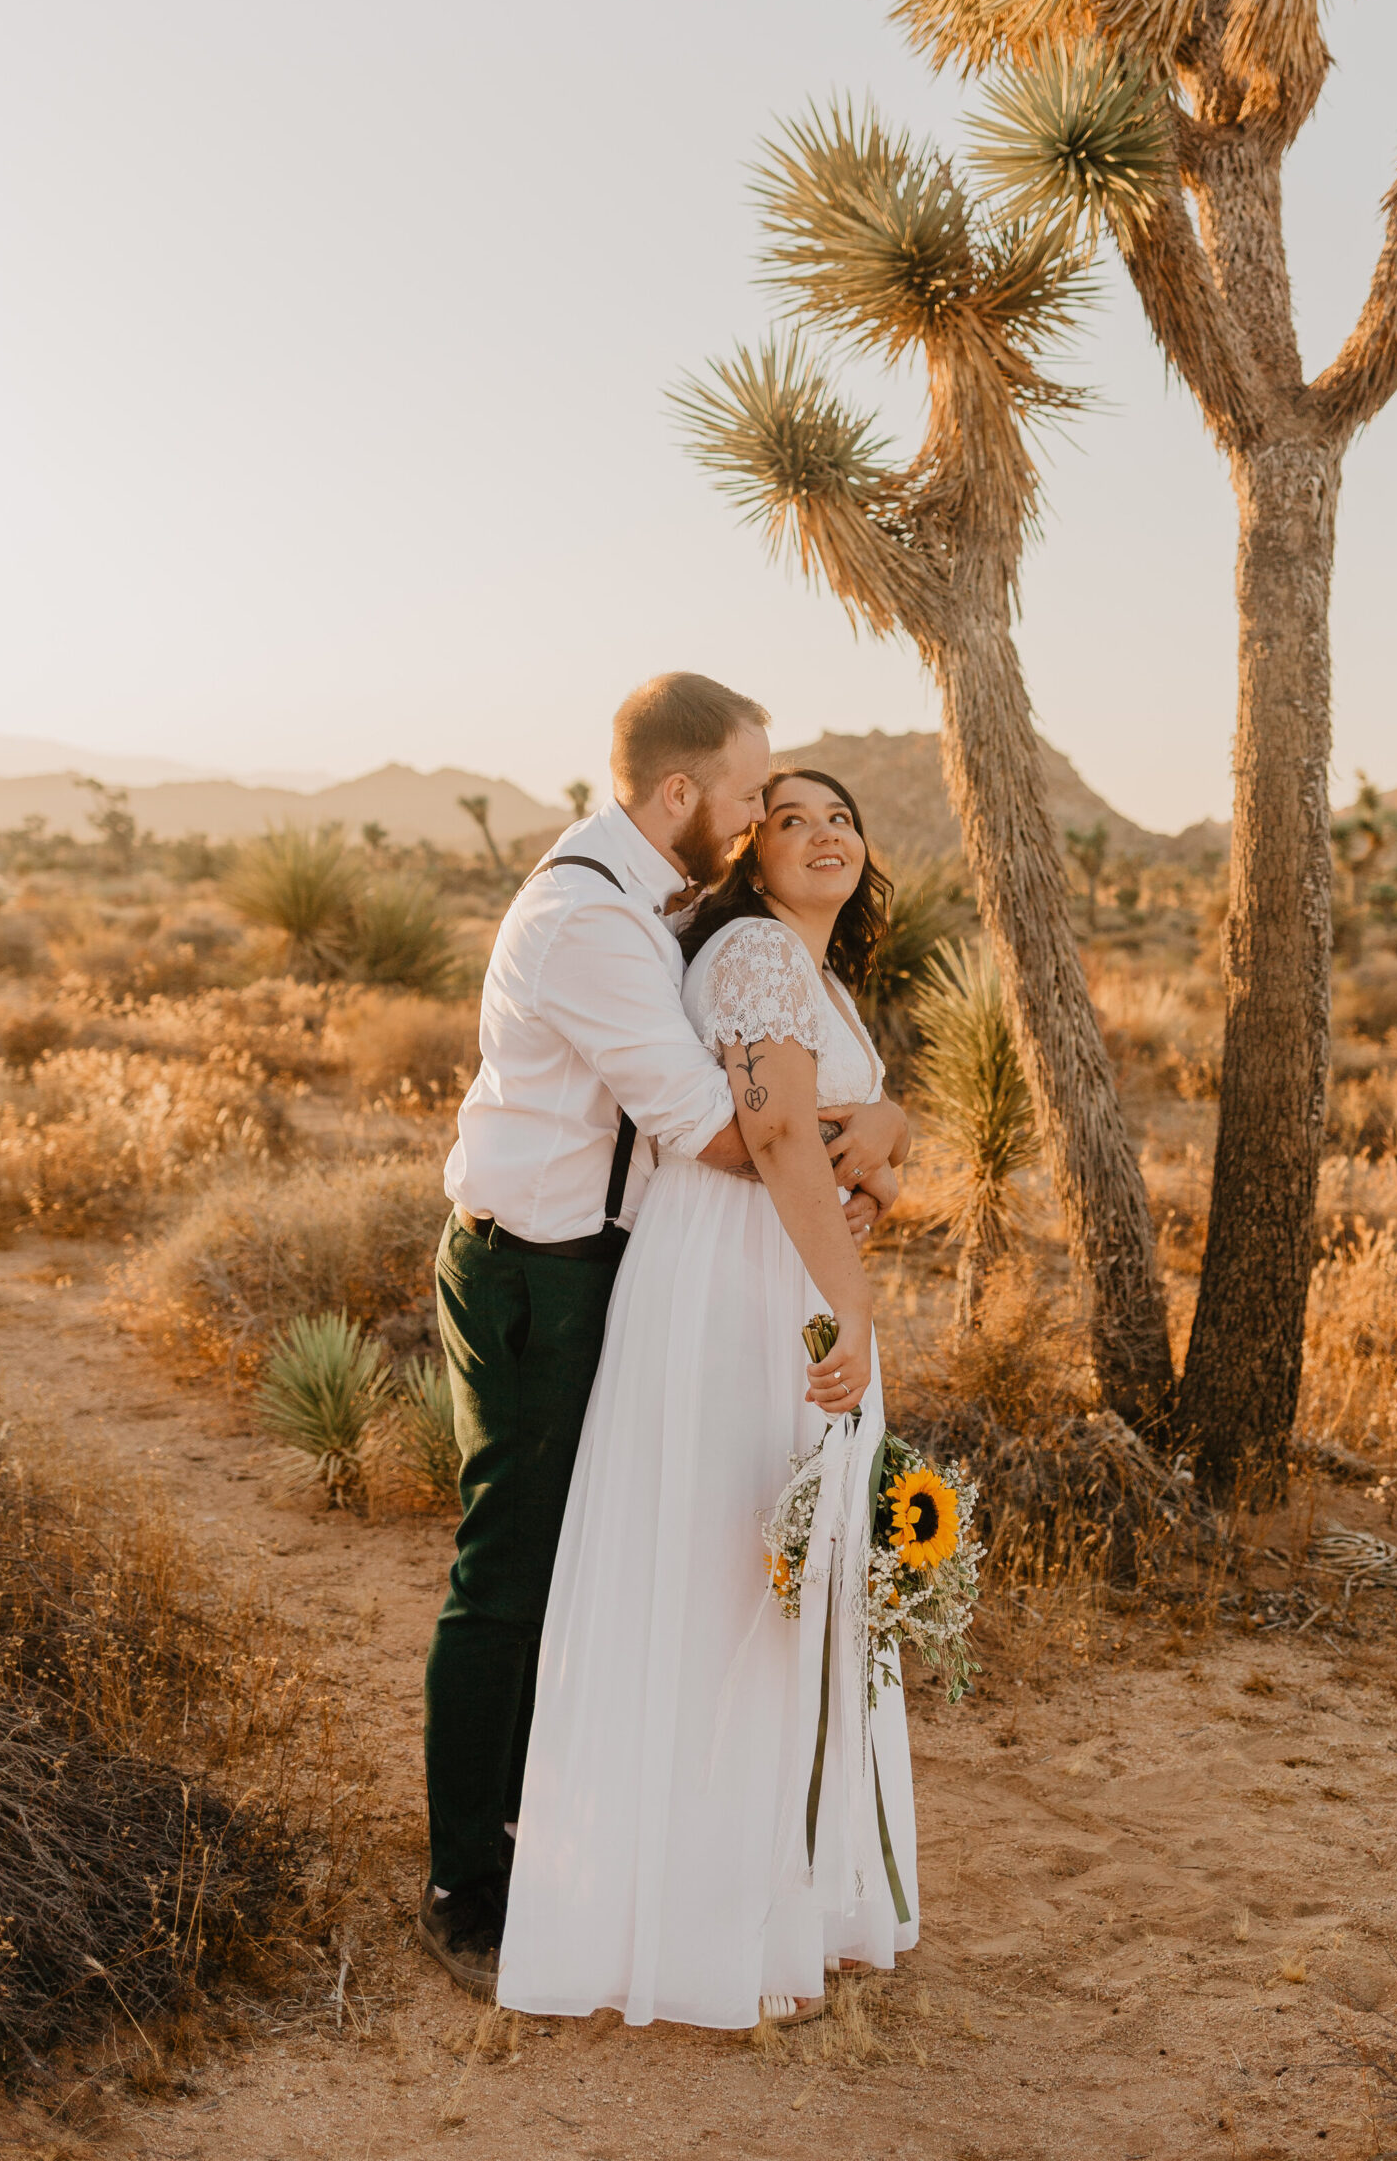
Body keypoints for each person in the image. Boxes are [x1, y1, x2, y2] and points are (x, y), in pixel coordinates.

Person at [420, 681, 908, 1995]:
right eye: (756, 794)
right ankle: (472, 1882)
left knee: (623, 1556)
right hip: (537, 1269)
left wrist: (878, 1125)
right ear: (687, 797)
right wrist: (841, 1148)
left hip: (614, 1265)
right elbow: (720, 1122)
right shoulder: (588, 916)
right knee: (517, 1568)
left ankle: (606, 1836)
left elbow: (791, 1064)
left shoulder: (668, 902)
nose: (769, 817)